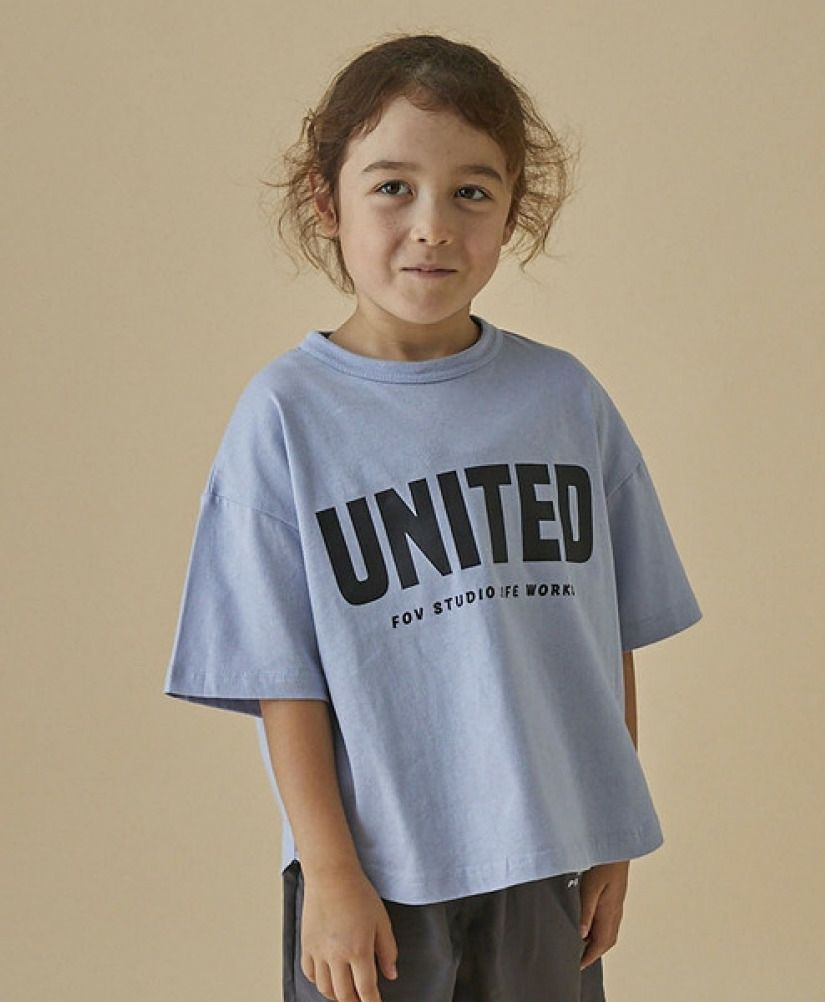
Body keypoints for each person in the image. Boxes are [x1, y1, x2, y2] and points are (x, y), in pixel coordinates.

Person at [163, 31, 702, 1002]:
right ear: (327, 202)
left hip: (547, 856)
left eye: (471, 192)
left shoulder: (564, 400)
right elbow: (281, 678)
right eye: (392, 187)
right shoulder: (287, 417)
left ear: (512, 210)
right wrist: (329, 872)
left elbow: (604, 631)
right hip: (377, 870)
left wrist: (611, 833)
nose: (433, 227)